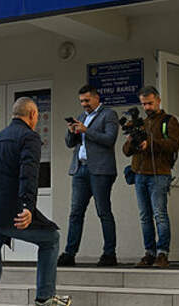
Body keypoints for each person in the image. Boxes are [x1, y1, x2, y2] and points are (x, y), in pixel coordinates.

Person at [0, 97, 72, 306]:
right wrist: (27, 207)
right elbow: (29, 174)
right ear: (33, 114)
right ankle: (45, 297)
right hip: (7, 212)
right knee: (51, 238)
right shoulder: (29, 137)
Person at [58, 85, 119, 267]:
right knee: (75, 213)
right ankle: (69, 253)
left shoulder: (108, 114)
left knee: (103, 212)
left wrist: (86, 130)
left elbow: (110, 139)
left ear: (96, 98)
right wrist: (71, 131)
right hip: (80, 169)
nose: (84, 104)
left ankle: (109, 254)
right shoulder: (82, 116)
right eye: (81, 101)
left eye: (87, 100)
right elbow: (70, 144)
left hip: (100, 170)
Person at [122, 86, 179, 268]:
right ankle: (149, 252)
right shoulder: (141, 123)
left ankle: (162, 253)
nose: (147, 107)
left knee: (159, 214)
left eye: (150, 103)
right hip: (139, 174)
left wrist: (151, 143)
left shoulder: (169, 121)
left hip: (159, 174)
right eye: (144, 104)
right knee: (145, 216)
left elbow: (174, 144)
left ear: (158, 100)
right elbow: (126, 151)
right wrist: (132, 140)